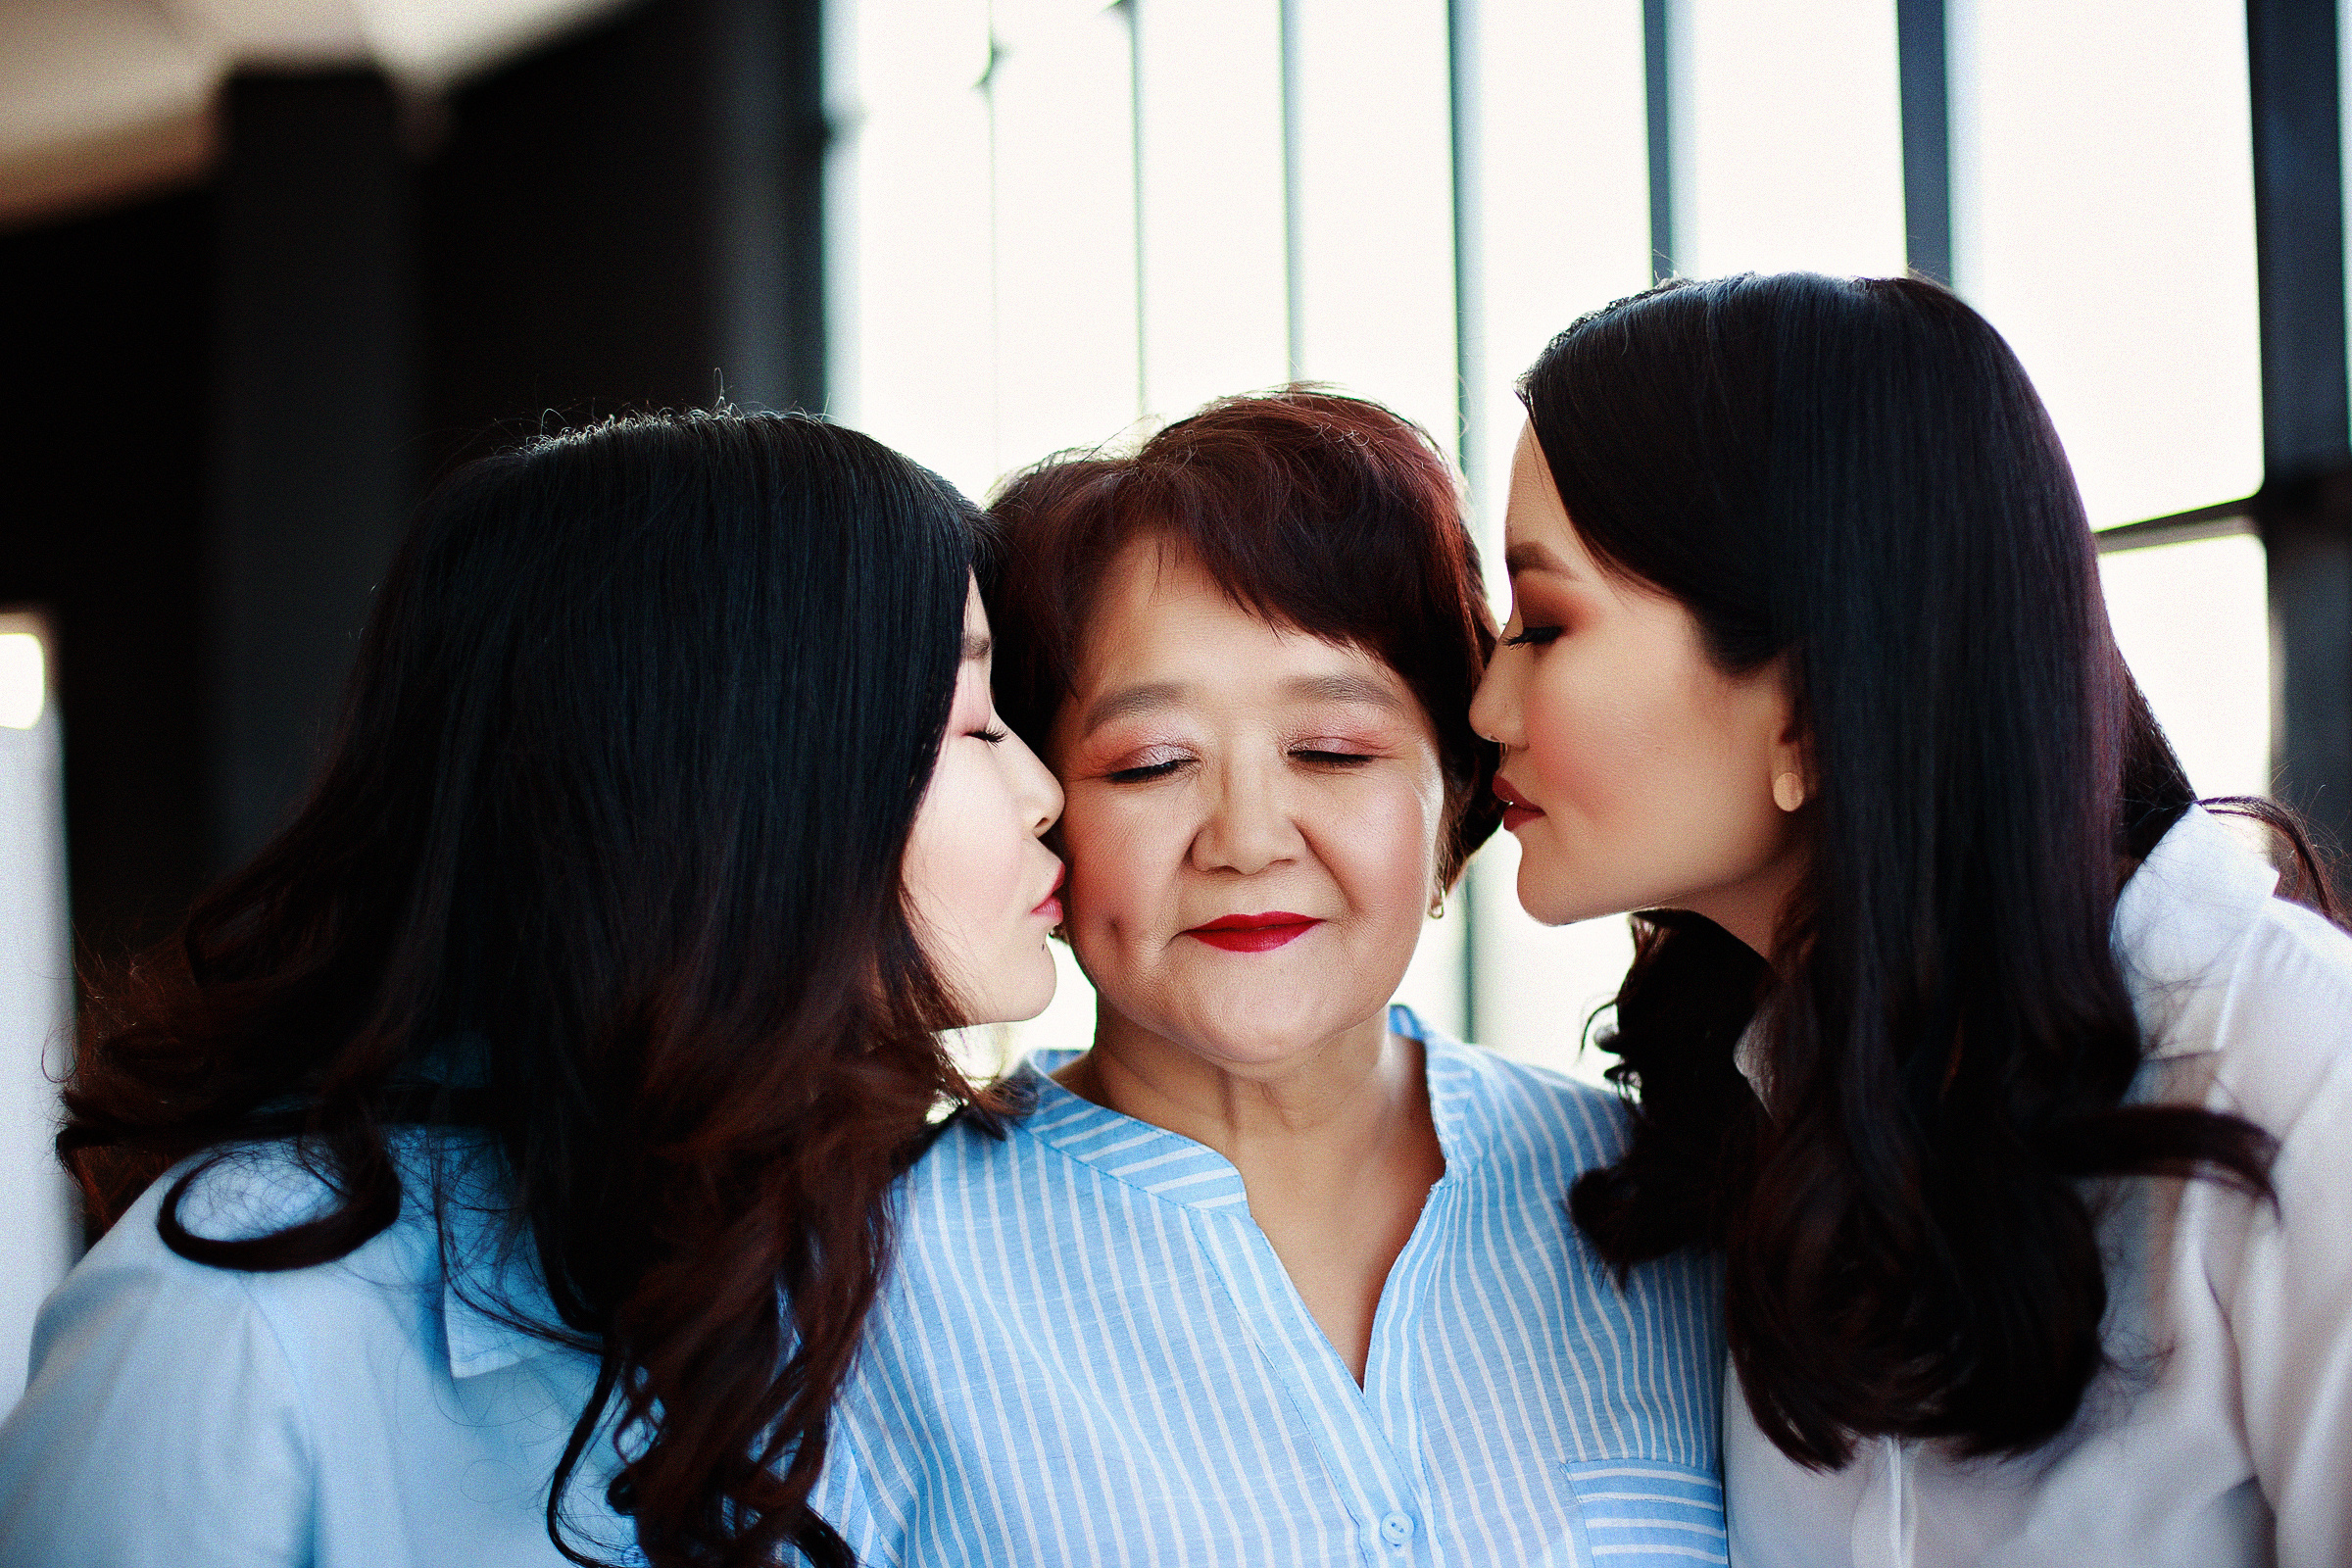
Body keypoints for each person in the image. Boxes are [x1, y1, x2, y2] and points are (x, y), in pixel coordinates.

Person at [0, 411, 1067, 1568]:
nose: (1046, 789)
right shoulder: (229, 1327)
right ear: (740, 774)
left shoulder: (848, 1245)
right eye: (978, 723)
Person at [1470, 272, 2352, 1568]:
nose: (1489, 702)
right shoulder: (1743, 1112)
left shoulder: (2294, 1072)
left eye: (1544, 624)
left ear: (1811, 707)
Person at [808, 390, 1727, 1566]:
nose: (1245, 839)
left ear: (1458, 802)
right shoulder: (861, 1282)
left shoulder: (1673, 1199)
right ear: (1041, 812)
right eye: (1149, 766)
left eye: (1331, 751)